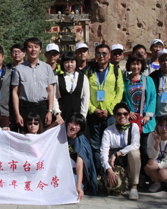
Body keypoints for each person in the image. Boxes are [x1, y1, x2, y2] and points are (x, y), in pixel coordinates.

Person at [85, 43, 124, 172]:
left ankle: (112, 172)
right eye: (98, 54)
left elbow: (119, 92)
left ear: (109, 55)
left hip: (110, 115)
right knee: (96, 146)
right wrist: (93, 109)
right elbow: (85, 93)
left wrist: (110, 110)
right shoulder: (89, 71)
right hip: (94, 114)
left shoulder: (116, 71)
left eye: (104, 54)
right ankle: (99, 174)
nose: (101, 56)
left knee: (111, 145)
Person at [12, 38, 58, 127]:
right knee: (25, 137)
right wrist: (17, 114)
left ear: (40, 50)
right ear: (26, 50)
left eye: (36, 47)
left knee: (42, 136)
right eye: (30, 47)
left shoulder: (47, 68)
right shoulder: (18, 69)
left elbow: (51, 91)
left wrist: (50, 111)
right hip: (25, 108)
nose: (33, 49)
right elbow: (15, 92)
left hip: (42, 107)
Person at [100, 103, 141, 200]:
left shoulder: (134, 127)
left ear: (128, 115)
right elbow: (103, 153)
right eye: (119, 114)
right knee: (114, 187)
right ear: (114, 116)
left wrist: (117, 154)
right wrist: (109, 170)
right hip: (115, 165)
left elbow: (135, 145)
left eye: (125, 114)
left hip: (128, 162)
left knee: (135, 153)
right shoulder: (108, 131)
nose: (122, 116)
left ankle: (134, 186)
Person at [123, 54, 156, 171]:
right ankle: (134, 174)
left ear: (141, 65)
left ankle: (146, 173)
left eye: (138, 64)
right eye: (133, 63)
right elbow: (123, 99)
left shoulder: (148, 80)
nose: (135, 66)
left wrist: (148, 115)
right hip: (132, 120)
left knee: (146, 149)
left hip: (146, 122)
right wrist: (128, 111)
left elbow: (153, 98)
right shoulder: (125, 81)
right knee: (132, 149)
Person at [66, 113, 98, 199]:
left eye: (77, 125)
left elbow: (79, 165)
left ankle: (83, 185)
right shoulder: (60, 134)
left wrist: (78, 187)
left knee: (71, 187)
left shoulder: (81, 142)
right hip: (60, 168)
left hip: (74, 171)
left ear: (81, 128)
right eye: (71, 123)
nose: (73, 127)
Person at [53, 52, 90, 121]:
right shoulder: (57, 78)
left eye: (72, 62)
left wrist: (82, 116)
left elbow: (86, 98)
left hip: (78, 117)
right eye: (66, 62)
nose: (69, 65)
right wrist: (57, 113)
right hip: (62, 117)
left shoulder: (83, 77)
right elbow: (54, 97)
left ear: (76, 63)